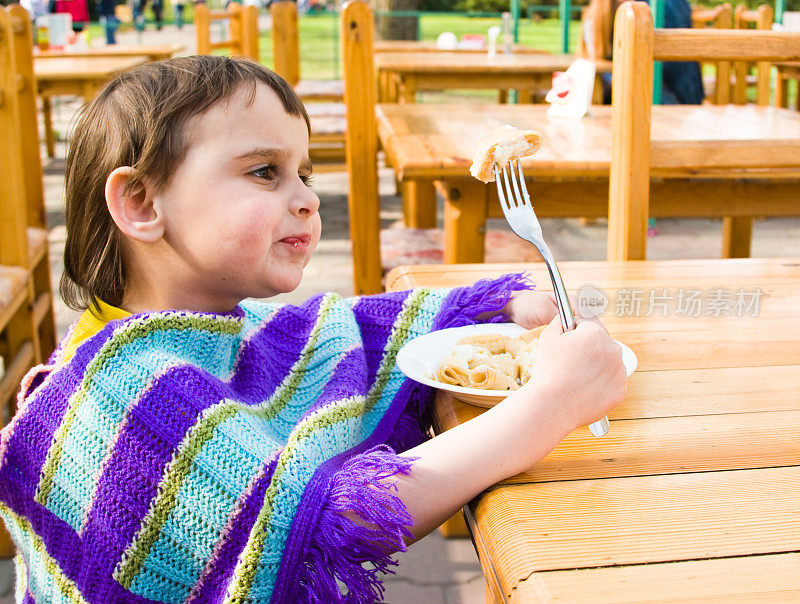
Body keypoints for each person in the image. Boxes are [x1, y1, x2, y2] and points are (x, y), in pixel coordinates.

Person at [0, 56, 626, 603]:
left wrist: (504, 305)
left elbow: (341, 332)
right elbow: (325, 524)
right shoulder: (125, 396)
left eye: (305, 173)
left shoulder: (206, 329)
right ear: (141, 204)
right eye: (264, 171)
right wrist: (552, 406)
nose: (305, 198)